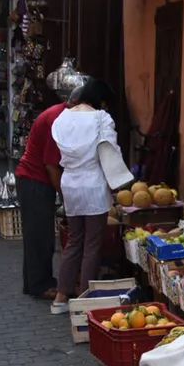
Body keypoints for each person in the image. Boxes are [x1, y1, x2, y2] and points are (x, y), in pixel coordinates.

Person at [50, 80, 122, 314]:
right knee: (92, 245)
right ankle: (82, 302)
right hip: (93, 184)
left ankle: (60, 298)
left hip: (70, 182)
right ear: (100, 100)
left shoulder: (61, 118)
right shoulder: (101, 119)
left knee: (73, 241)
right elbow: (111, 152)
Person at [15, 89, 66, 298]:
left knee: (38, 236)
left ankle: (35, 282)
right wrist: (64, 196)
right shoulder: (57, 120)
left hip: (32, 179)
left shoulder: (58, 114)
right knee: (40, 236)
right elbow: (52, 166)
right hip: (34, 180)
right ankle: (39, 285)